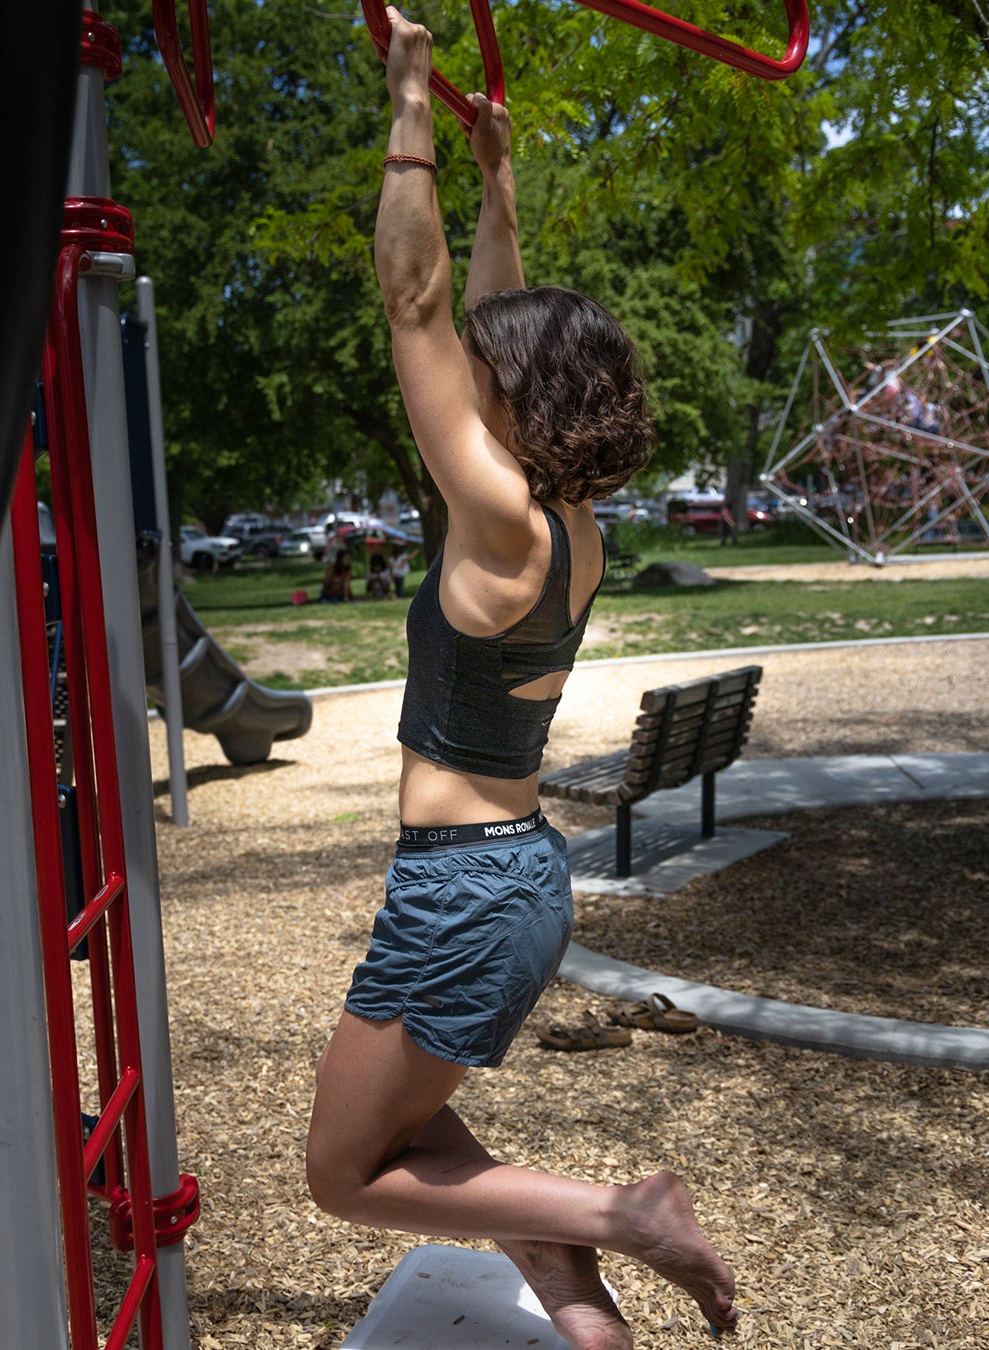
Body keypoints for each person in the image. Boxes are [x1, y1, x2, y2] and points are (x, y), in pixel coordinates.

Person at [301, 19, 736, 1350]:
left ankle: (623, 1214)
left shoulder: (494, 520)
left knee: (341, 1170)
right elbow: (489, 325)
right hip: (504, 876)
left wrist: (414, 104)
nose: (462, 384)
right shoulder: (561, 527)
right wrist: (499, 185)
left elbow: (420, 305)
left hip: (466, 889)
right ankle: (561, 1271)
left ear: (509, 407)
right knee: (405, 1121)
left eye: (487, 382)